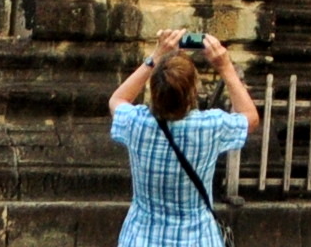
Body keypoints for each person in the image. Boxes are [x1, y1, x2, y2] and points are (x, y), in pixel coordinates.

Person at [108, 29, 257, 247]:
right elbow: (250, 118)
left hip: (141, 238)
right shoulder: (209, 127)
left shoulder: (136, 123)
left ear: (154, 88)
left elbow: (118, 98)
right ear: (192, 92)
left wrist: (156, 56)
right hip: (197, 239)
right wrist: (225, 67)